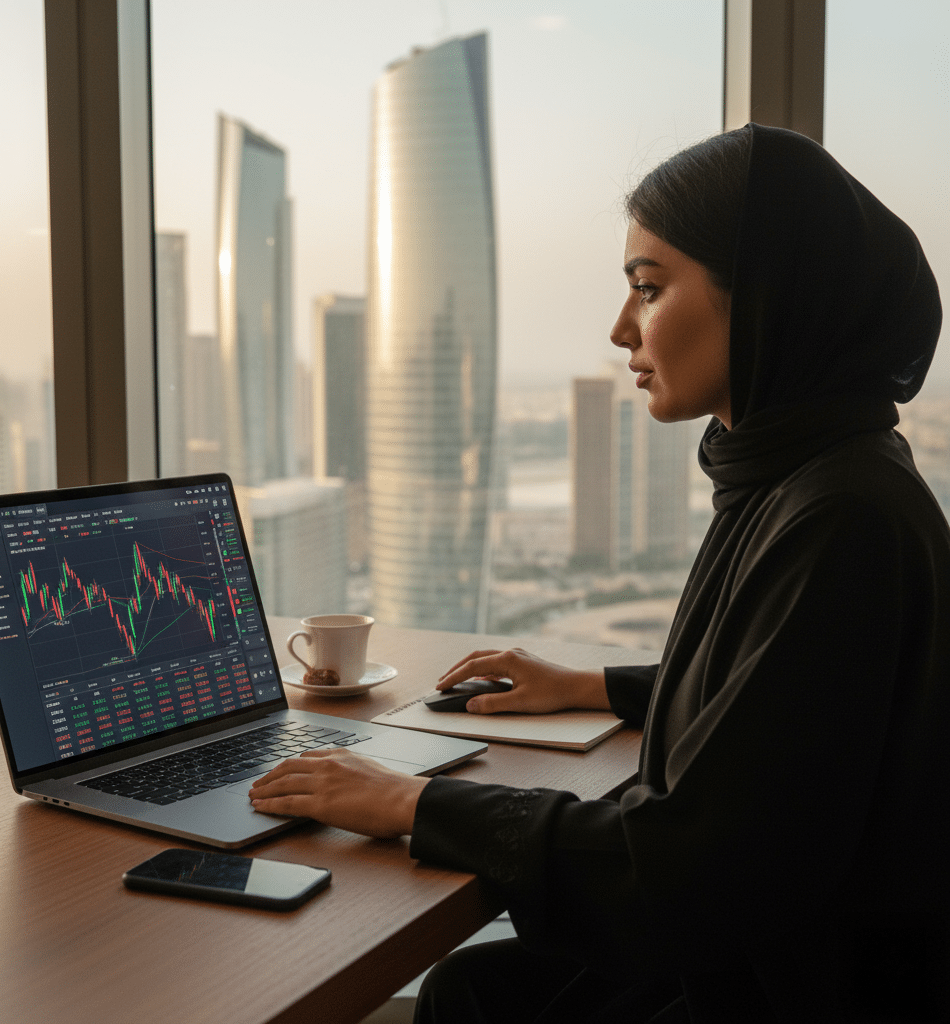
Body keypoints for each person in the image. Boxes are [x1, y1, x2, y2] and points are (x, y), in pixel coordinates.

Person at [248, 124, 950, 1022]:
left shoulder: (841, 515)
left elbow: (692, 867)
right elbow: (783, 708)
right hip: (768, 953)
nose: (621, 329)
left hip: (789, 987)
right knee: (475, 988)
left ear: (765, 298)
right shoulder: (810, 473)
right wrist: (593, 684)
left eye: (649, 290)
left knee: (478, 999)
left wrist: (418, 803)